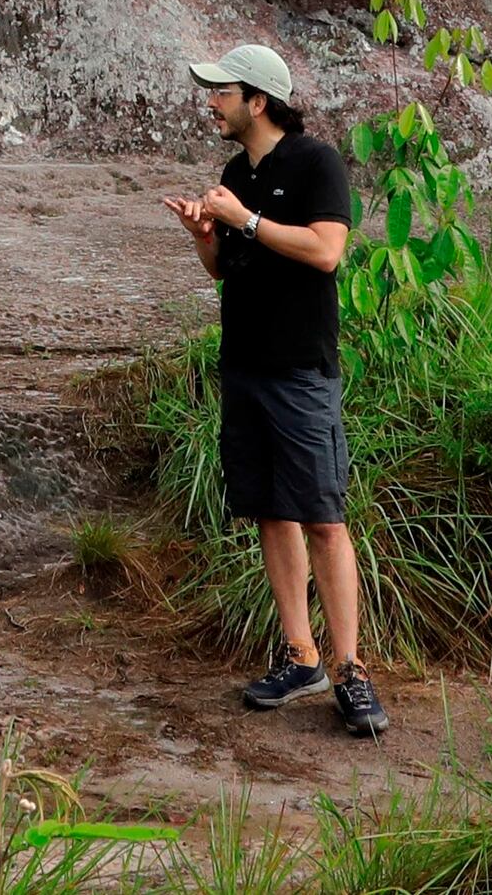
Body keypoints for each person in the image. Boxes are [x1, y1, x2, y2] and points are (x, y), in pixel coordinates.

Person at [166, 40, 382, 739]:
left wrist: (246, 220)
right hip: (246, 366)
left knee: (321, 513)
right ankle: (301, 654)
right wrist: (206, 235)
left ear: (258, 99)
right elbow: (226, 271)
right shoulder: (236, 171)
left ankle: (350, 669)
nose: (211, 101)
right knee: (270, 509)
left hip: (300, 369)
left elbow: (326, 250)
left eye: (222, 91)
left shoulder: (315, 162)